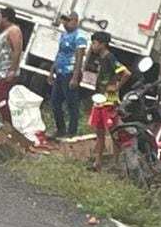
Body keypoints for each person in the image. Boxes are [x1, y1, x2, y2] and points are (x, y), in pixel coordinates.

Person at [88, 31, 130, 172]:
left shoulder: (110, 58)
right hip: (99, 100)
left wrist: (117, 87)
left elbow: (126, 73)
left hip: (109, 102)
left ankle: (115, 163)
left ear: (103, 44)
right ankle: (98, 162)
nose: (92, 46)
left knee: (114, 133)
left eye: (94, 43)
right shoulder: (100, 58)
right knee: (99, 133)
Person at [48, 11, 88, 139]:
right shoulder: (64, 35)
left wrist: (75, 77)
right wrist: (52, 70)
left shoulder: (79, 37)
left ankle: (72, 131)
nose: (65, 23)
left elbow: (79, 58)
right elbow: (59, 53)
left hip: (70, 73)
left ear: (76, 22)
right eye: (64, 21)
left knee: (72, 104)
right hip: (60, 72)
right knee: (55, 102)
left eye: (69, 21)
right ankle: (60, 129)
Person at [0, 7, 23, 125]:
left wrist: (12, 70)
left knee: (3, 100)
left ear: (5, 18)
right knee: (0, 99)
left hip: (6, 72)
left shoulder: (13, 31)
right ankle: (6, 124)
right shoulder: (6, 31)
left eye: (0, 17)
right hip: (0, 73)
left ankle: (9, 125)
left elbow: (17, 51)